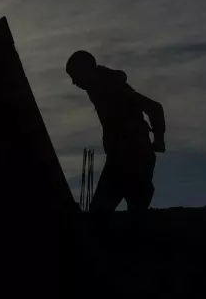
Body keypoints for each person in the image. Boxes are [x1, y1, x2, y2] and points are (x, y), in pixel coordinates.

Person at [66, 50, 165, 225]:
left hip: (131, 158)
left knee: (102, 216)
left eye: (75, 76)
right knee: (129, 216)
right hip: (125, 158)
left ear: (86, 71)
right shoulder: (101, 88)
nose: (74, 82)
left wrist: (158, 139)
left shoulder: (112, 88)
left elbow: (154, 107)